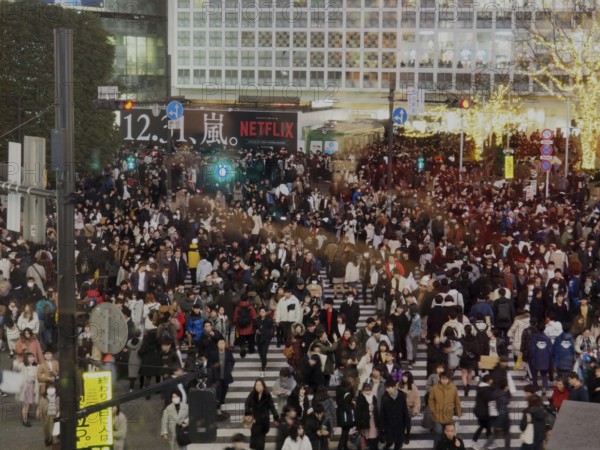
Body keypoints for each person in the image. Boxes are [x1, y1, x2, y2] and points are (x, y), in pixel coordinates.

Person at [429, 370, 462, 447]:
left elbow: (457, 401)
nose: (444, 380)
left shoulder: (453, 388)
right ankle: (437, 447)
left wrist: (459, 412)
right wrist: (433, 410)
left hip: (448, 415)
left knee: (449, 434)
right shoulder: (435, 388)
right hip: (437, 415)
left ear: (449, 379)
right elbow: (431, 400)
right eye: (442, 378)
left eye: (446, 379)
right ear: (440, 378)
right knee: (438, 432)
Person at [244, 378, 280, 450]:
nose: (258, 386)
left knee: (260, 443)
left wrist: (276, 417)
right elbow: (247, 403)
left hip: (263, 422)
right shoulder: (252, 394)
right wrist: (248, 413)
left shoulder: (267, 395)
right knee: (253, 441)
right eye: (256, 385)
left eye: (259, 385)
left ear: (263, 386)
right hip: (254, 421)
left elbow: (272, 407)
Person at [208, 338, 236, 417]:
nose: (221, 345)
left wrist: (229, 369)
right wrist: (214, 366)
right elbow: (209, 364)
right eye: (220, 343)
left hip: (226, 376)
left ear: (225, 344)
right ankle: (218, 407)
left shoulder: (228, 352)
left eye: (223, 343)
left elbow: (232, 361)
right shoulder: (213, 353)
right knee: (218, 393)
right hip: (217, 378)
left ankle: (221, 402)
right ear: (217, 345)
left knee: (224, 391)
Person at [379, 379, 410, 450]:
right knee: (389, 441)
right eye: (386, 388)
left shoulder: (401, 396)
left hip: (399, 424)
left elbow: (405, 410)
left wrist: (407, 423)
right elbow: (382, 412)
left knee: (398, 444)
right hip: (389, 425)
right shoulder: (384, 397)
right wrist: (382, 426)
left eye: (388, 388)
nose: (387, 390)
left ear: (394, 387)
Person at [470, 374, 496, 450]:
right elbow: (490, 401)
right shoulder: (487, 390)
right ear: (489, 380)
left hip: (480, 411)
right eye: (491, 379)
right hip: (484, 413)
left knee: (486, 427)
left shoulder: (481, 388)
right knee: (484, 427)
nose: (492, 380)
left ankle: (489, 442)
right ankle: (474, 442)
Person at [16, 352, 39, 427]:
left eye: (33, 357)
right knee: (27, 404)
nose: (32, 358)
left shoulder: (37, 366)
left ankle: (26, 414)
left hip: (33, 386)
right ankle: (25, 419)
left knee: (31, 403)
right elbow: (16, 370)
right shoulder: (22, 365)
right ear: (26, 358)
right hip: (25, 386)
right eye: (30, 357)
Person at [398, 371, 420, 445]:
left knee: (407, 423)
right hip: (399, 407)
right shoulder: (398, 384)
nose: (404, 378)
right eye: (403, 376)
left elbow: (417, 398)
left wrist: (415, 408)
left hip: (408, 408)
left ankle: (407, 435)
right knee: (400, 423)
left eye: (406, 377)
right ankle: (400, 437)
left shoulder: (413, 386)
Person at [355, 383, 379, 450]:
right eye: (366, 390)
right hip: (364, 420)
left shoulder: (373, 397)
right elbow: (358, 412)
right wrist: (358, 426)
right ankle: (371, 446)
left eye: (369, 390)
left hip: (373, 419)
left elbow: (376, 409)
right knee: (367, 435)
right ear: (363, 390)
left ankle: (374, 446)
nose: (368, 391)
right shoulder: (360, 397)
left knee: (373, 435)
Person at [37, 380, 59, 446]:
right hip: (45, 418)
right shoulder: (43, 398)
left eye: (52, 387)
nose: (51, 389)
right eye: (49, 387)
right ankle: (48, 439)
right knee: (47, 430)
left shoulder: (57, 397)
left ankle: (53, 440)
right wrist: (39, 410)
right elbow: (41, 406)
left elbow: (57, 408)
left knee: (54, 436)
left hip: (54, 419)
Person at [255, 306, 275, 374]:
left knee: (264, 354)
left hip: (266, 340)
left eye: (263, 312)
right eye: (261, 312)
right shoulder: (257, 319)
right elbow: (254, 327)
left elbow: (272, 329)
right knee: (260, 353)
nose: (262, 313)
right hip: (259, 339)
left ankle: (263, 367)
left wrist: (269, 336)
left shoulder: (269, 320)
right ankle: (264, 362)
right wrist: (256, 331)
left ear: (266, 312)